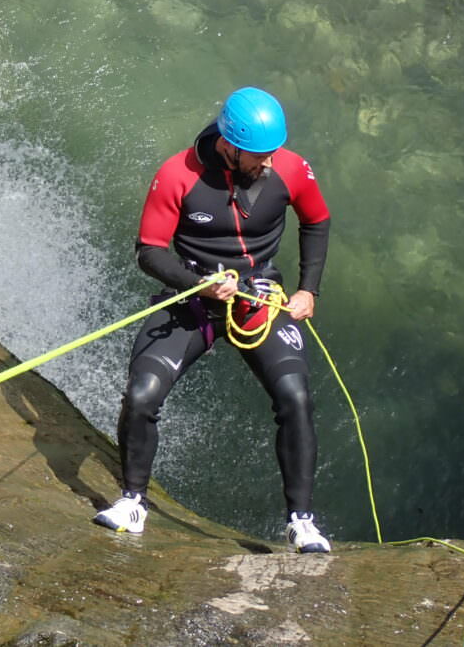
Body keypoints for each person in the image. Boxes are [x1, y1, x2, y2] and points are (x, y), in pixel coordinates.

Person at [93, 86, 332, 553]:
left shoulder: (288, 168)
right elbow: (149, 251)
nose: (269, 162)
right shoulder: (178, 174)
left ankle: (302, 523)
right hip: (195, 296)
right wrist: (196, 284)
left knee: (295, 398)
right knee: (141, 396)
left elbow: (317, 221)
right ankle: (132, 502)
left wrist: (308, 290)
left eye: (273, 152)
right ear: (231, 144)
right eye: (260, 155)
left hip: (258, 297)